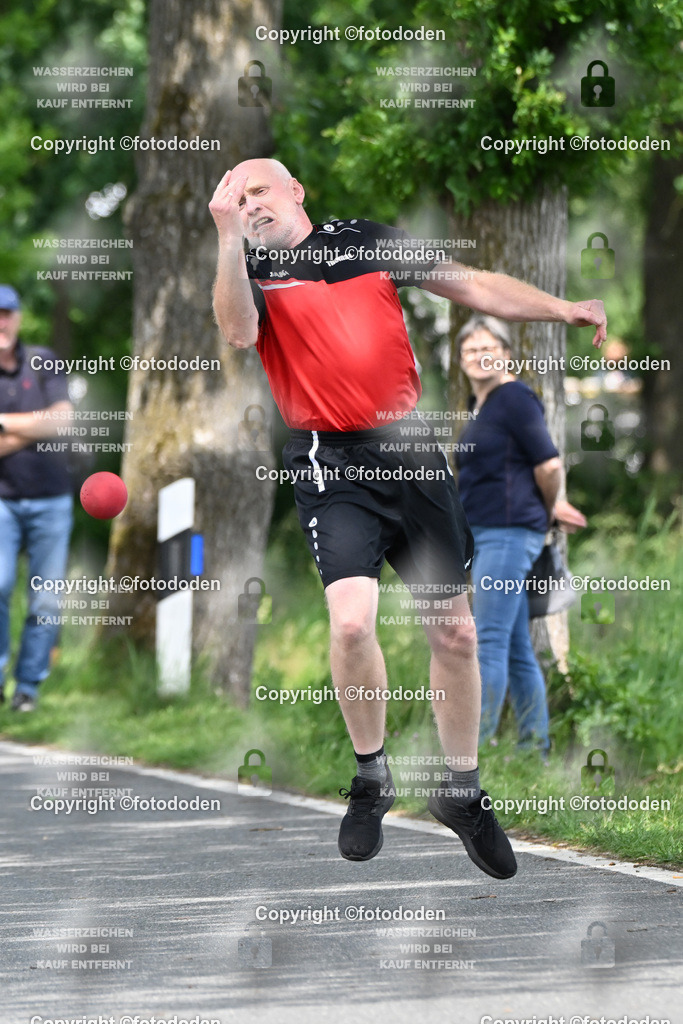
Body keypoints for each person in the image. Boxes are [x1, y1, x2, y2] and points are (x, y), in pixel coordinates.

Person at [209, 159, 606, 879]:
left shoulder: (364, 241)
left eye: (257, 191)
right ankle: (370, 777)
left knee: (453, 632)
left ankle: (460, 792)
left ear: (296, 191)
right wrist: (225, 239)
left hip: (410, 453)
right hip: (333, 463)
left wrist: (564, 309)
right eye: (236, 199)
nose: (247, 205)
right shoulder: (252, 270)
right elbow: (237, 331)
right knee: (352, 622)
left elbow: (474, 284)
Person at [455, 314, 587, 754]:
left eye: (488, 347)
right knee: (513, 647)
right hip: (490, 533)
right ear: (461, 360)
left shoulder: (514, 398)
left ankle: (470, 754)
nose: (479, 356)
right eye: (470, 349)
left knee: (486, 641)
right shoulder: (481, 405)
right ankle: (534, 747)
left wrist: (548, 511)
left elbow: (548, 464)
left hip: (508, 534)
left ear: (507, 353)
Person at [0, 285, 74, 711]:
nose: (2, 322)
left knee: (46, 598)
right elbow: (46, 423)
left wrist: (6, 424)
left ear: (19, 317)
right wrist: (34, 428)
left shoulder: (42, 359)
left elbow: (62, 422)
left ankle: (27, 688)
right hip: (3, 501)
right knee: (0, 584)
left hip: (52, 498)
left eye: (7, 313)